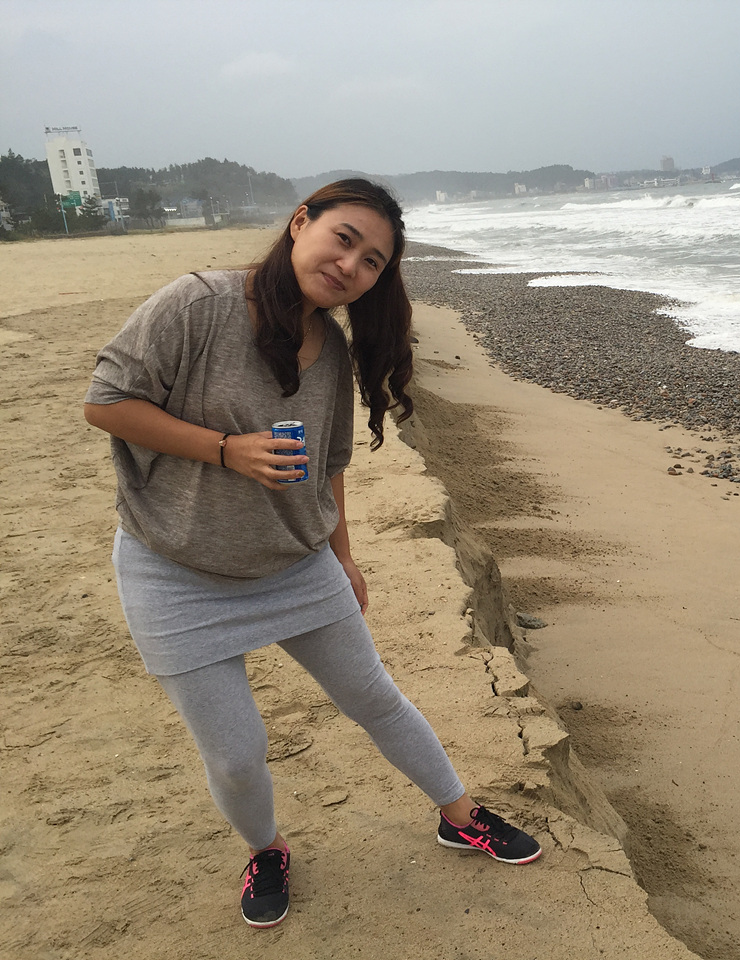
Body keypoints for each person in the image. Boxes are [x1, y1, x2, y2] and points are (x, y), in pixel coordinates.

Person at [83, 179, 540, 930]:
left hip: (296, 565)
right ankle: (266, 849)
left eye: (372, 261)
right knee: (236, 754)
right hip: (173, 571)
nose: (350, 265)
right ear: (302, 223)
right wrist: (226, 450)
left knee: (375, 698)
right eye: (344, 239)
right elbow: (105, 403)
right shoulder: (197, 304)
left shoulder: (331, 353)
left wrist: (344, 558)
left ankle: (458, 815)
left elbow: (329, 466)